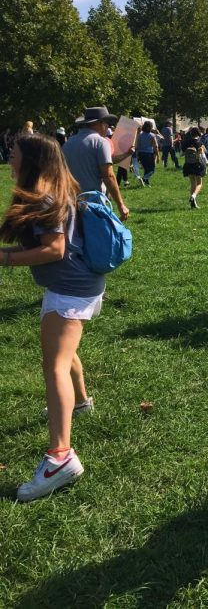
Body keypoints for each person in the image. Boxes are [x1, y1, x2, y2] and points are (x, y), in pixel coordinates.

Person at [1, 134, 105, 501]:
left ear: (31, 161)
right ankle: (80, 402)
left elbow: (55, 249)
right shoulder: (52, 191)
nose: (9, 159)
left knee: (54, 364)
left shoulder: (46, 197)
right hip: (76, 285)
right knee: (63, 351)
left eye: (13, 155)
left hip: (70, 288)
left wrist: (5, 258)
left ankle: (60, 457)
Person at [62, 106, 129, 220]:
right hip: (92, 202)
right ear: (99, 123)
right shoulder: (101, 142)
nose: (108, 126)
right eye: (106, 123)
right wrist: (121, 205)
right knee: (97, 236)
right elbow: (108, 175)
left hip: (70, 200)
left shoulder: (68, 143)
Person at [182, 126, 206, 208]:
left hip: (188, 164)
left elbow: (182, 152)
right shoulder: (199, 143)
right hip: (197, 164)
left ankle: (193, 203)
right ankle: (193, 196)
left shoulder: (185, 142)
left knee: (193, 183)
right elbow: (202, 154)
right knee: (199, 183)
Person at [137, 120, 160, 186]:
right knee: (151, 170)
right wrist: (158, 156)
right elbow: (155, 146)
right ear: (151, 127)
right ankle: (144, 178)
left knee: (146, 169)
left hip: (141, 153)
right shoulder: (152, 135)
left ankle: (146, 182)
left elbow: (138, 145)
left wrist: (137, 154)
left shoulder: (140, 135)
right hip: (148, 154)